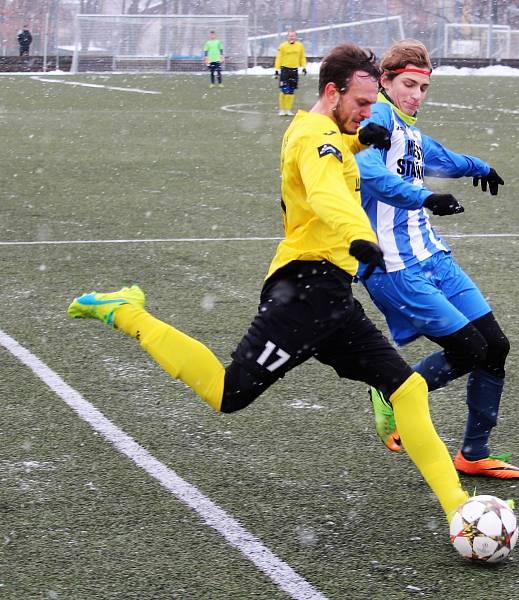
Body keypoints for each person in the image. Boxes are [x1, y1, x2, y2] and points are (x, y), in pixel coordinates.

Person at [67, 43, 470, 522]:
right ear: (332, 92)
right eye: (361, 104)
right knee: (227, 392)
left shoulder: (317, 128)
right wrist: (361, 235)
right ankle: (126, 310)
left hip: (331, 293)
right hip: (304, 291)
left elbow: (330, 157)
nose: (367, 112)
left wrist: (360, 141)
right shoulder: (315, 138)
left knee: (407, 390)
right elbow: (324, 191)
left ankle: (457, 509)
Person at [355, 40, 519, 479]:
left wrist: (481, 167)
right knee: (468, 348)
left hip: (432, 255)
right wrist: (425, 195)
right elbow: (369, 174)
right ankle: (394, 391)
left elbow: (442, 157)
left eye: (424, 87)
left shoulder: (411, 132)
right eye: (408, 84)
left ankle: (473, 453)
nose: (416, 94)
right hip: (393, 265)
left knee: (495, 347)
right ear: (385, 82)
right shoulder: (374, 119)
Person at [274, 29, 307, 116]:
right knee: (284, 90)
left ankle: (288, 109)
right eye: (290, 36)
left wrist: (304, 67)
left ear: (296, 37)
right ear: (287, 37)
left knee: (291, 91)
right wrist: (277, 69)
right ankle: (282, 109)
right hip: (285, 70)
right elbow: (279, 58)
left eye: (293, 36)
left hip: (294, 71)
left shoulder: (300, 46)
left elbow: (302, 57)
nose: (291, 37)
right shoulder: (283, 46)